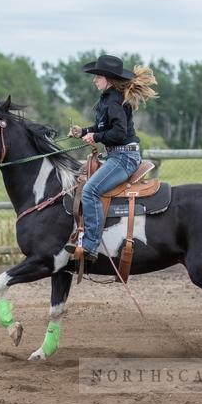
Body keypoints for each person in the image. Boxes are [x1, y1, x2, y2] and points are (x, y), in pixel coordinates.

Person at [65, 54, 158, 261]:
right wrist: (84, 132)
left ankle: (89, 245)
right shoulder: (109, 98)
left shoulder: (114, 100)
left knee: (89, 191)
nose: (94, 80)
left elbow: (119, 133)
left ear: (107, 78)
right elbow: (104, 128)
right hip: (118, 156)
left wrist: (96, 137)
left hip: (124, 158)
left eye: (97, 76)